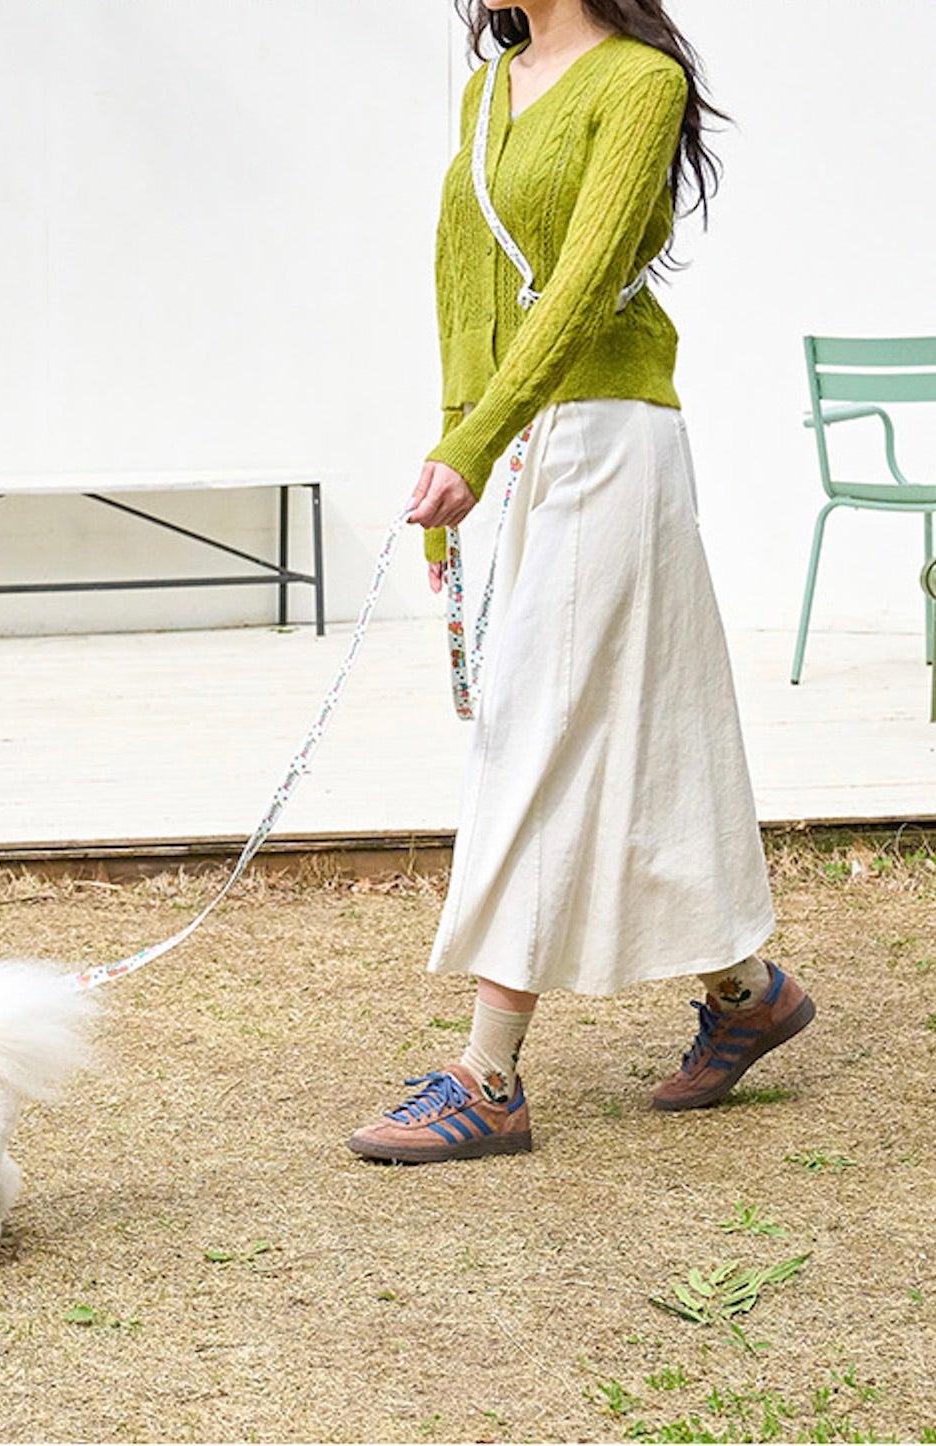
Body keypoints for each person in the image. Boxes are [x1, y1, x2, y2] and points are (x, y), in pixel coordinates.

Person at [349, 0, 814, 1163]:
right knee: (644, 733)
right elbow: (467, 288)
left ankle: (488, 1077)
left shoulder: (640, 82)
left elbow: (584, 282)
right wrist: (459, 447)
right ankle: (747, 992)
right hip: (518, 449)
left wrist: (477, 440)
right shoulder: (491, 84)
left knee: (536, 727)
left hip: (611, 436)